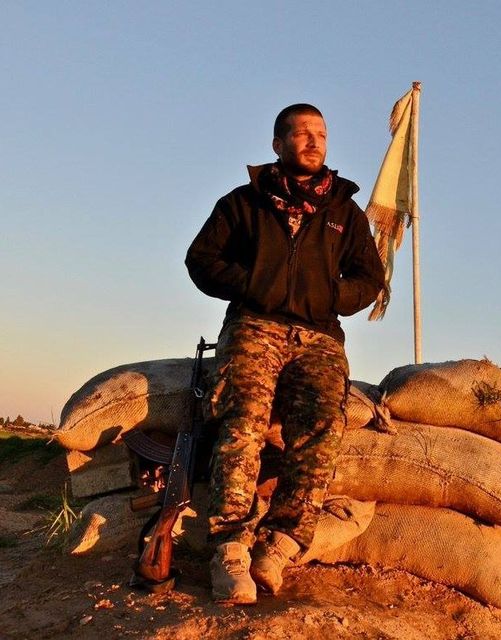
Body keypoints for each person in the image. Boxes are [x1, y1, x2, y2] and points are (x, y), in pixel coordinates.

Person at [185, 103, 385, 604]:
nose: (314, 141)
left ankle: (279, 544)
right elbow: (201, 259)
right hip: (255, 324)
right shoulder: (243, 202)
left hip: (320, 334)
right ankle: (230, 549)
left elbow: (370, 278)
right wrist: (254, 284)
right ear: (278, 144)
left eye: (321, 134)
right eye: (302, 133)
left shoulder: (344, 211)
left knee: (322, 424)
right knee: (243, 419)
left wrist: (331, 296)